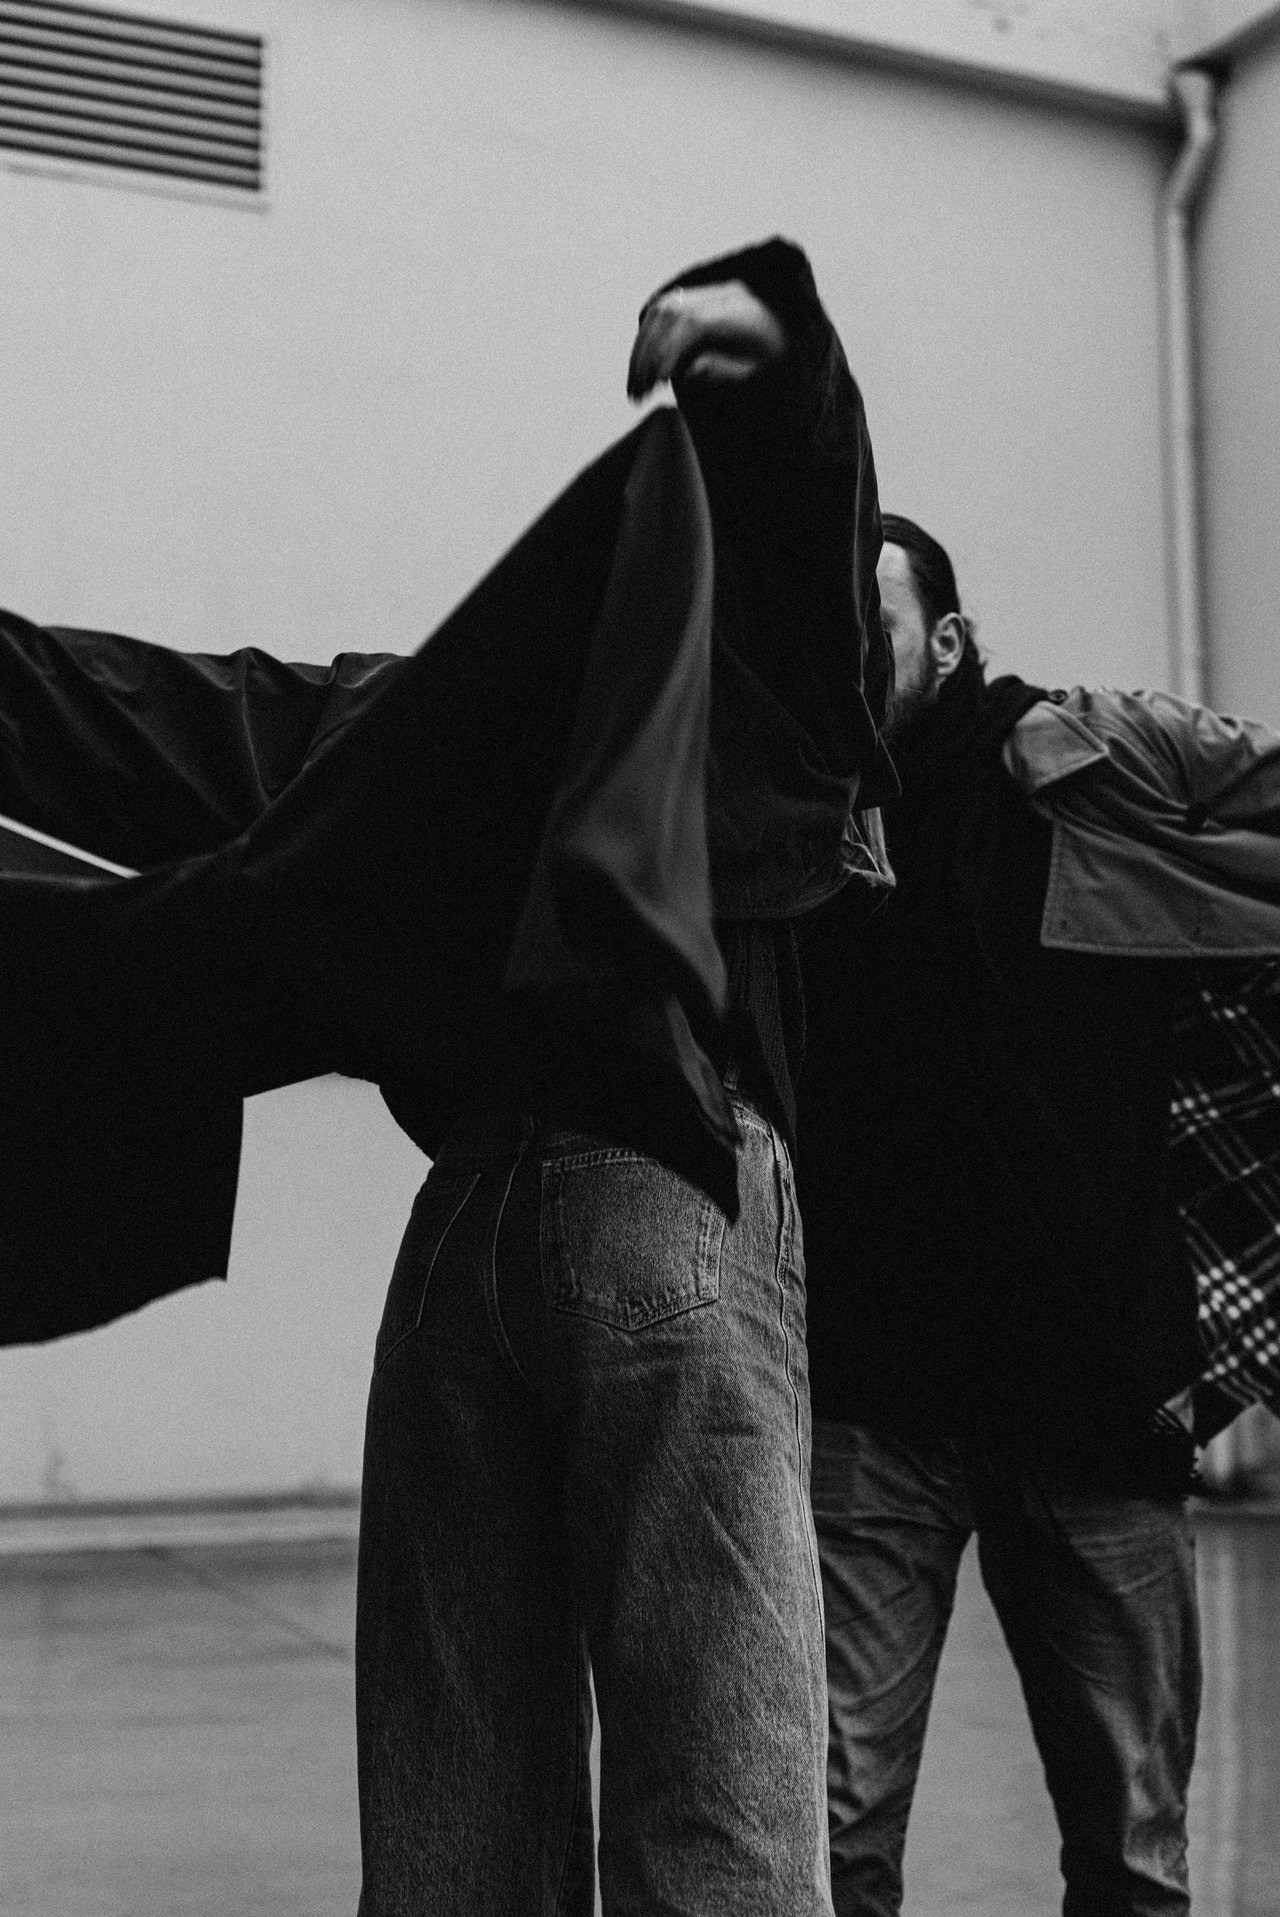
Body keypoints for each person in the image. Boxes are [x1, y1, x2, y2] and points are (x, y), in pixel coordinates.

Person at [353, 241, 892, 1916]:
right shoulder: (738, 714)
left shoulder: (450, 731)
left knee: (458, 1829)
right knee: (718, 1819)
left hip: (454, 1239)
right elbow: (800, 566)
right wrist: (776, 356)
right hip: (666, 1178)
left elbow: (198, 724)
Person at [796, 514, 1280, 1917]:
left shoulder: (1080, 769)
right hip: (876, 1410)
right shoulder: (792, 822)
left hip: (1090, 1405)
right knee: (828, 1841)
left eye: (875, 622)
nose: (843, 650)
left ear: (946, 638)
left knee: (1130, 1853)